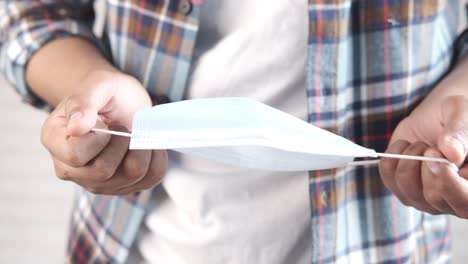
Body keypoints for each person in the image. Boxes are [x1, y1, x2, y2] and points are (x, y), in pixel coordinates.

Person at [1, 0, 467, 263]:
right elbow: (32, 14)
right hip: (137, 246)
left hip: (387, 247)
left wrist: (461, 98)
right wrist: (86, 89)